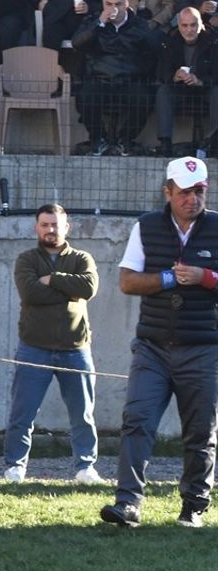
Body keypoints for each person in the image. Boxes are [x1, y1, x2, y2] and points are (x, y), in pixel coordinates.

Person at [103, 156, 218, 529]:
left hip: (203, 347)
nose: (192, 199)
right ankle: (128, 504)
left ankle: (194, 506)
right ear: (167, 192)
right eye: (184, 192)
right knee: (137, 422)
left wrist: (205, 277)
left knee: (201, 431)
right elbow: (127, 281)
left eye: (198, 191)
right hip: (152, 347)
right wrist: (170, 279)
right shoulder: (146, 226)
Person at [4, 204, 101, 483]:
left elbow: (88, 288)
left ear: (66, 227)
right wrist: (68, 292)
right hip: (34, 347)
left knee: (83, 414)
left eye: (56, 224)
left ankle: (85, 467)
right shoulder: (26, 260)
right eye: (45, 224)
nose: (50, 230)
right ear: (37, 227)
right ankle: (15, 466)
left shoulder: (82, 258)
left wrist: (53, 280)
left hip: (76, 348)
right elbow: (30, 293)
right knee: (22, 413)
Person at [71, 0, 156, 157]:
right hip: (99, 77)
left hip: (130, 78)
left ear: (126, 5)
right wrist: (99, 23)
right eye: (108, 4)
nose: (113, 8)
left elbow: (151, 51)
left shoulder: (139, 24)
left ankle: (124, 140)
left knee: (144, 99)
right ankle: (98, 139)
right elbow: (76, 43)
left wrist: (139, 71)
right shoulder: (93, 21)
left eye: (118, 4)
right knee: (85, 97)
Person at [155, 8, 218, 157]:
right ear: (178, 25)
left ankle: (214, 141)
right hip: (180, 89)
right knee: (163, 91)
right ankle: (165, 142)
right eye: (184, 25)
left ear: (200, 24)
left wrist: (201, 81)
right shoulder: (170, 41)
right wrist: (174, 77)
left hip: (206, 89)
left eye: (193, 25)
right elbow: (161, 72)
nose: (189, 30)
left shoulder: (213, 42)